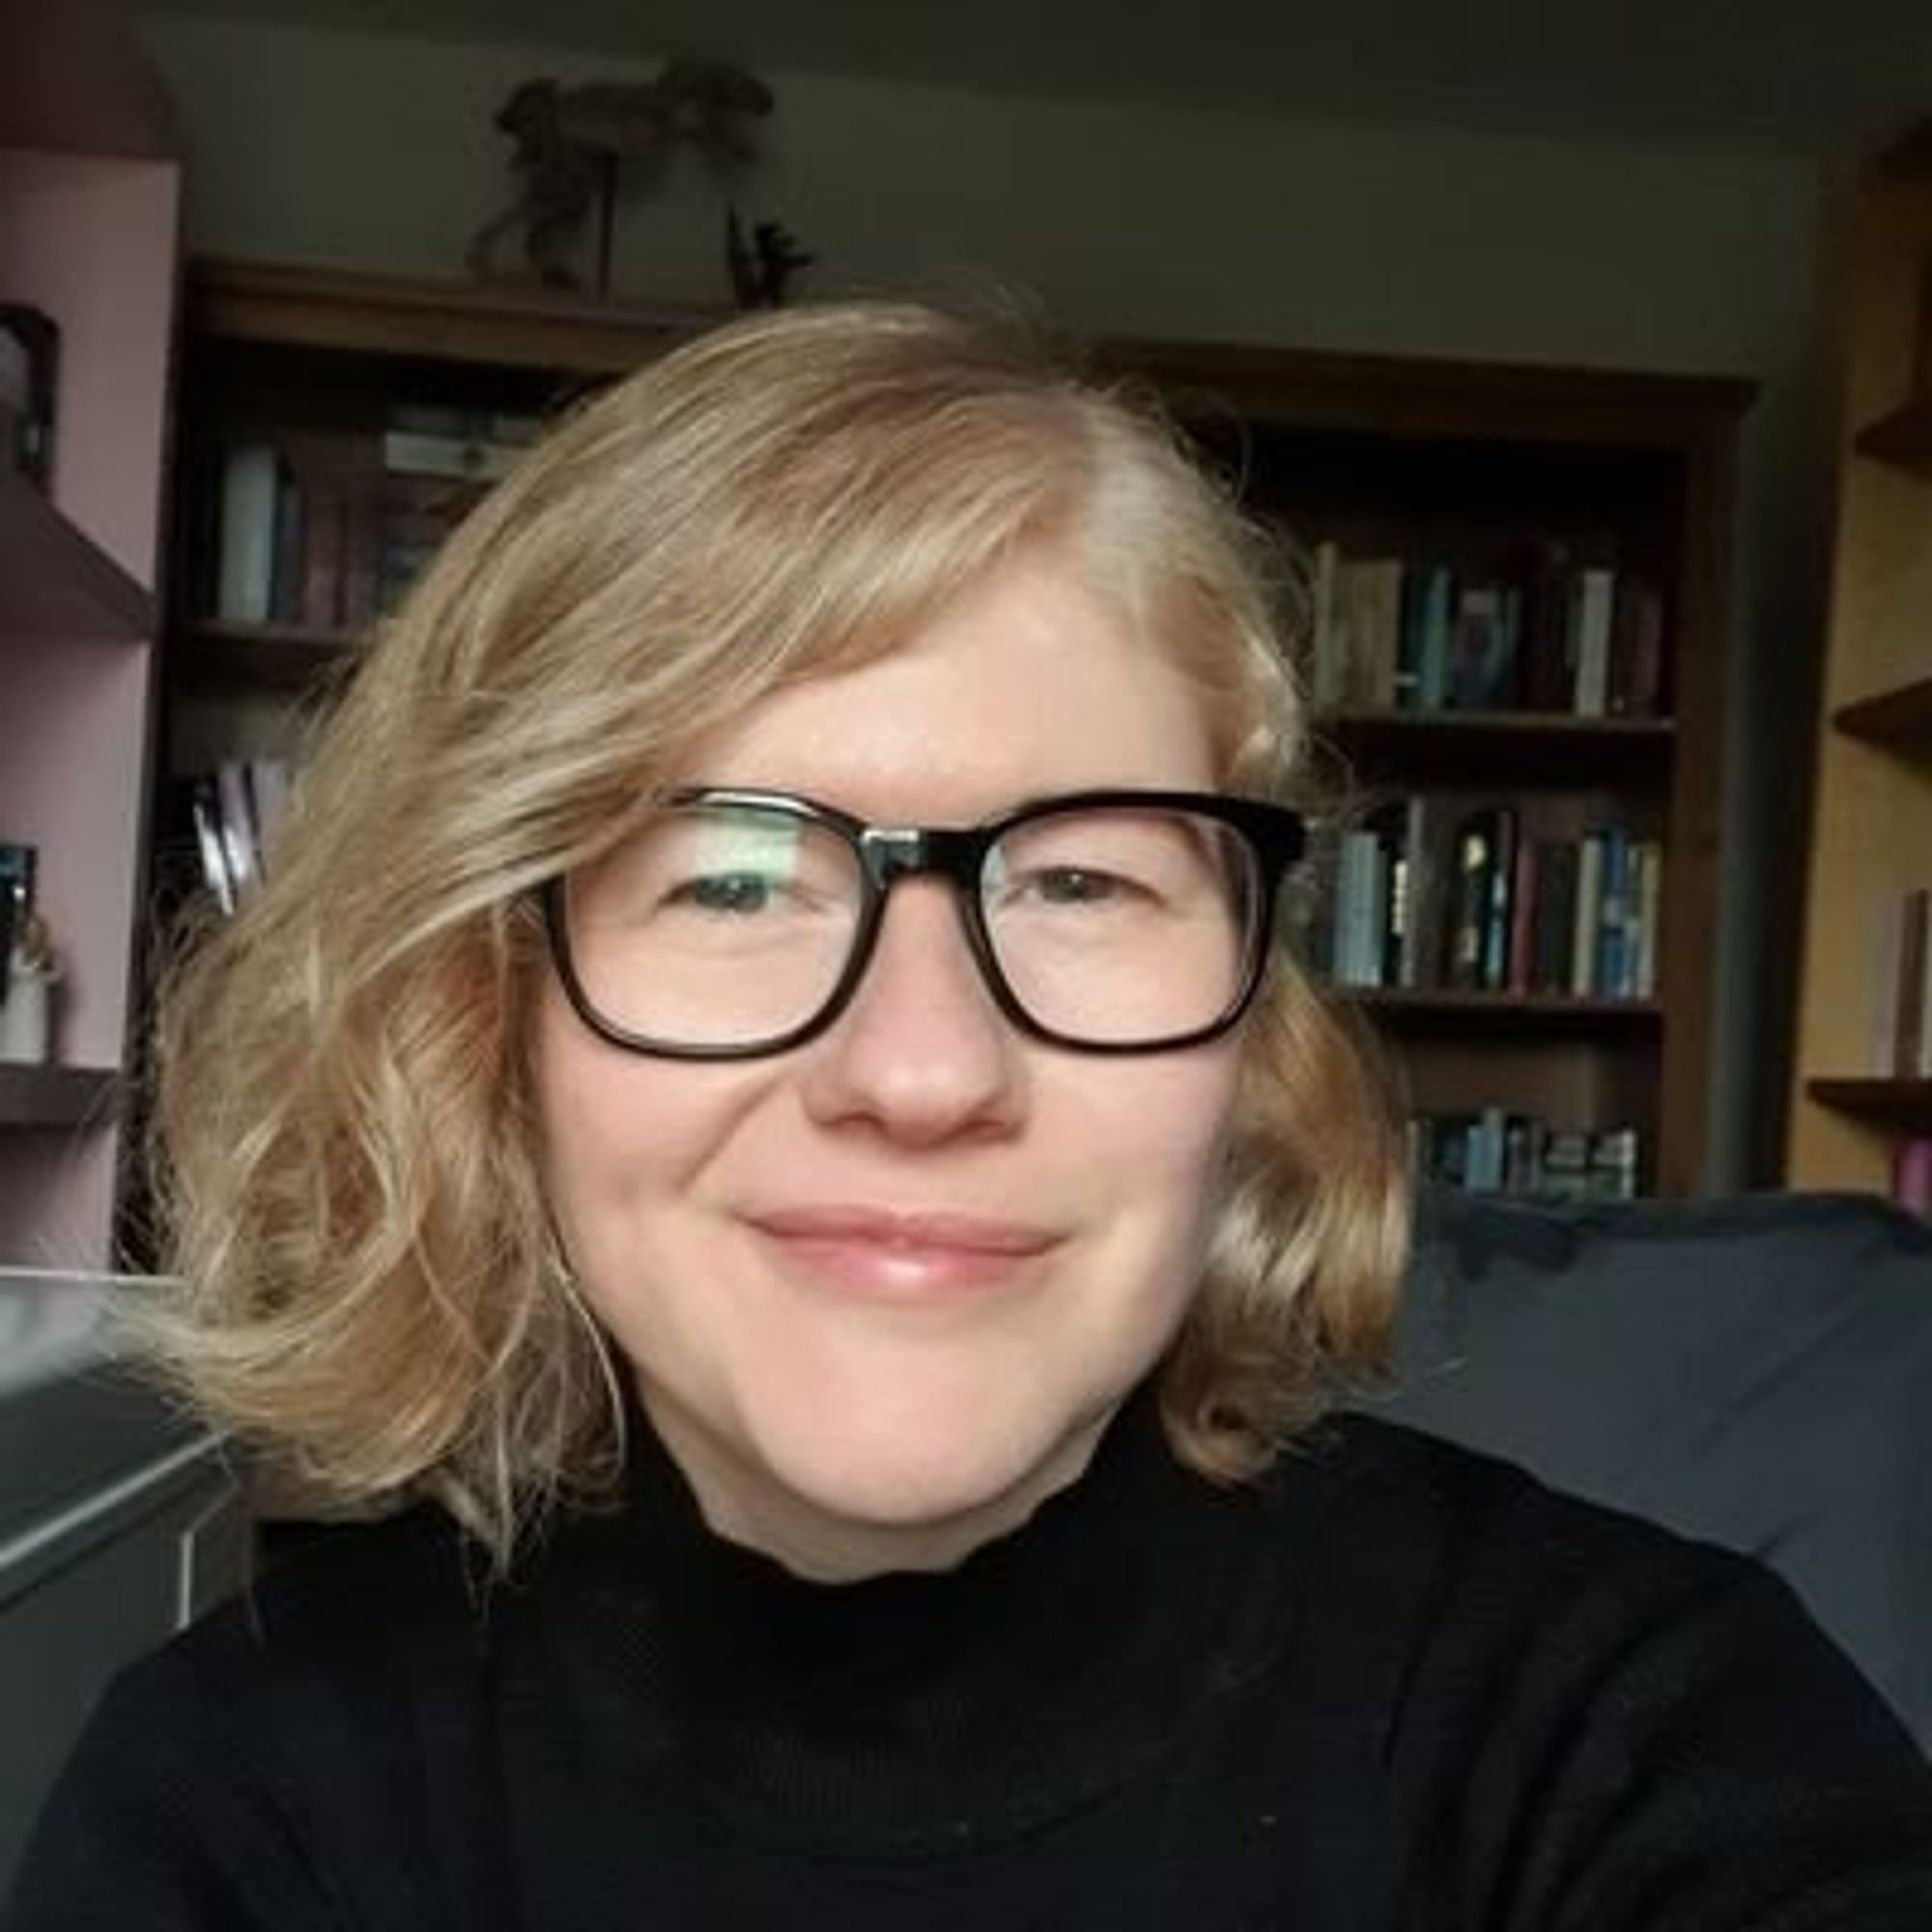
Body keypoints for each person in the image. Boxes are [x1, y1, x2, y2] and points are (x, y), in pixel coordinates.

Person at [7, 301, 1930, 1931]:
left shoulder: (1643, 1747)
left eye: (1084, 881)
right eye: (733, 879)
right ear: (493, 1009)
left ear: (1246, 1021)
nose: (923, 1074)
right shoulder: (241, 1815)